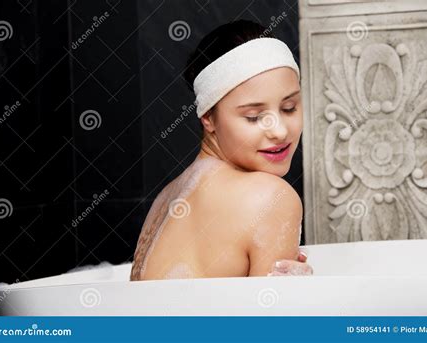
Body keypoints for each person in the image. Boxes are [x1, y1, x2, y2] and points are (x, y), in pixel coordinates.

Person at [130, 20, 313, 281]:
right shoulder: (272, 198)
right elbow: (276, 322)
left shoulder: (165, 200)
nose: (280, 131)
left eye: (289, 108)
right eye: (253, 116)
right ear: (208, 118)